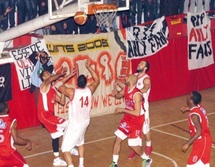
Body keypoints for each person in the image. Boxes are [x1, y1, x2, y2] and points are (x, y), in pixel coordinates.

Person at [55, 59, 100, 167]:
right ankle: (81, 164)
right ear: (86, 83)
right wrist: (89, 67)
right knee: (80, 143)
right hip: (85, 122)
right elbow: (97, 79)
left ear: (76, 83)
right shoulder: (90, 89)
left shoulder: (72, 92)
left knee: (65, 149)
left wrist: (70, 75)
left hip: (75, 124)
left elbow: (58, 84)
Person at [110, 74, 152, 167]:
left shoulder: (137, 94)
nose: (126, 78)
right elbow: (118, 95)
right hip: (128, 118)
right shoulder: (126, 89)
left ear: (132, 82)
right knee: (118, 139)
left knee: (133, 145)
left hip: (137, 120)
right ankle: (114, 163)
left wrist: (122, 110)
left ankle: (147, 159)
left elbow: (137, 112)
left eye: (127, 78)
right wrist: (115, 93)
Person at [37, 68, 69, 166]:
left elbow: (62, 102)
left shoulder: (52, 90)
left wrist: (63, 91)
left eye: (48, 72)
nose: (48, 73)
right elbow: (51, 79)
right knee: (67, 123)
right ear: (43, 78)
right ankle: (69, 147)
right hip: (44, 114)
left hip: (49, 115)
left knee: (56, 135)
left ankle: (56, 159)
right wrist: (60, 74)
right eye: (46, 73)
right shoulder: (43, 86)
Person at [181, 91, 212, 167]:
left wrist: (187, 144)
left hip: (202, 141)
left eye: (189, 96)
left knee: (191, 165)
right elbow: (196, 108)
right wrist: (188, 108)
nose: (187, 97)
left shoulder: (194, 116)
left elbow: (198, 132)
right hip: (205, 140)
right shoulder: (200, 107)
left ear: (191, 100)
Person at [0, 101, 32, 167]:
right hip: (9, 153)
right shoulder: (11, 121)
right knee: (25, 166)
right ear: (7, 109)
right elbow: (16, 140)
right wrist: (27, 141)